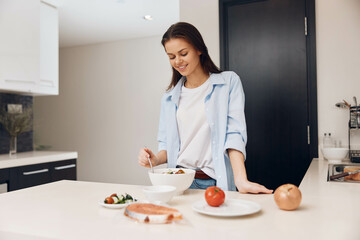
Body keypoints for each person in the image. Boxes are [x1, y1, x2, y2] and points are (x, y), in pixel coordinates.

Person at [138, 22, 272, 194]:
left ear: (199, 49)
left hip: (213, 182)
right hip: (178, 182)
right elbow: (167, 144)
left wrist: (241, 180)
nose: (178, 61)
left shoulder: (228, 83)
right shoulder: (169, 97)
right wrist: (154, 159)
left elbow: (234, 135)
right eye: (171, 57)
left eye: (183, 53)